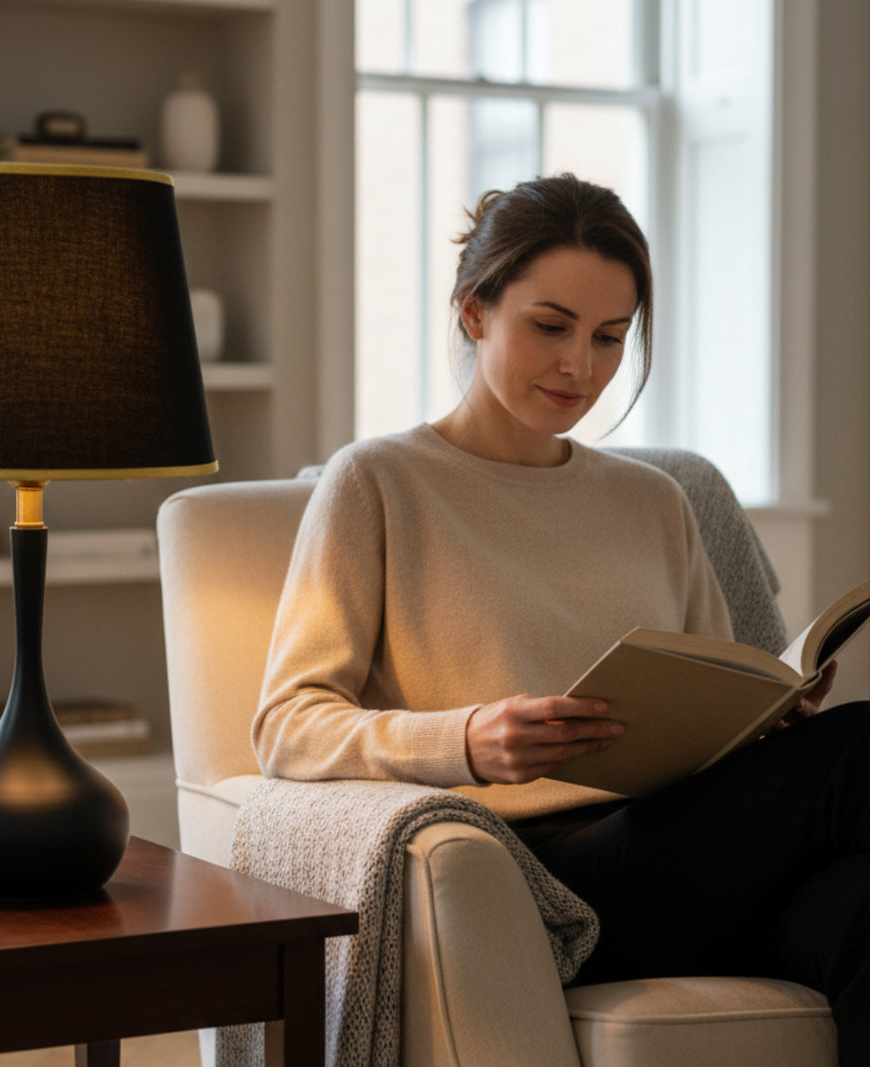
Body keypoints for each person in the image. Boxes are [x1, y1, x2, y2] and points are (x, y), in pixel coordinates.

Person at [252, 173, 868, 1063]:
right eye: (551, 327)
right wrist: (468, 740)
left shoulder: (655, 501)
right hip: (533, 882)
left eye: (610, 337)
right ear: (474, 311)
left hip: (692, 853)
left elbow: (715, 698)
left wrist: (770, 716)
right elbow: (285, 725)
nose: (582, 366)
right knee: (859, 749)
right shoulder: (378, 482)